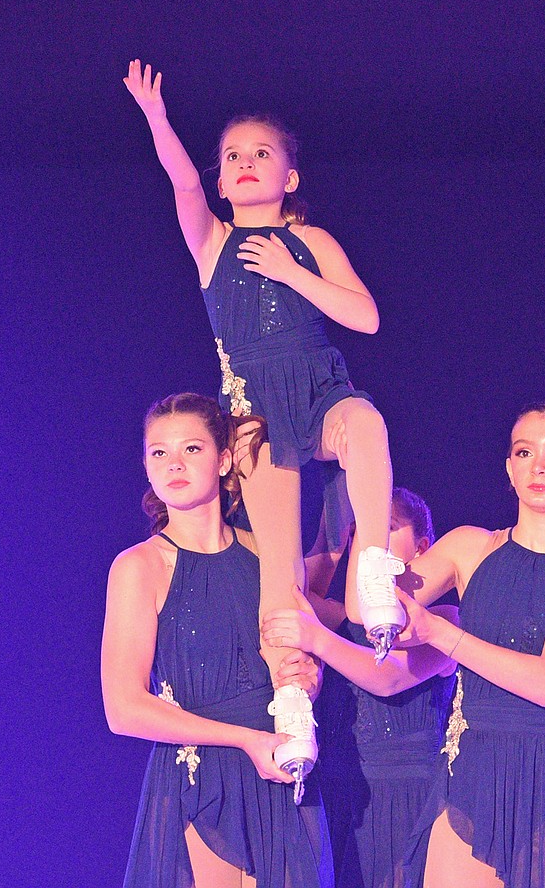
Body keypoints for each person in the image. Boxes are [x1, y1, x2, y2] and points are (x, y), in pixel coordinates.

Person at [124, 60, 408, 792]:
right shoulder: (213, 243)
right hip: (255, 417)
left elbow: (365, 316)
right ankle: (291, 710)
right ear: (222, 180)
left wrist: (292, 270)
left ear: (289, 177)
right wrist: (158, 119)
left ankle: (373, 568)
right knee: (277, 578)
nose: (245, 164)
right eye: (233, 158)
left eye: (262, 155)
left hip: (320, 392)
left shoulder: (311, 242)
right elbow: (182, 186)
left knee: (367, 427)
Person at [386, 402, 545, 888]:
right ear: (509, 467)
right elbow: (367, 609)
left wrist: (439, 632)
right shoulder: (468, 546)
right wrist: (360, 500)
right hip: (472, 770)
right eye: (524, 451)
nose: (538, 465)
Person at [100, 393, 333, 888]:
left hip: (281, 763)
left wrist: (308, 676)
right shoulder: (139, 567)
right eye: (159, 453)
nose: (174, 464)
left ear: (224, 459)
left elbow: (300, 644)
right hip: (203, 775)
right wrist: (246, 741)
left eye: (192, 449)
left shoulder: (266, 551)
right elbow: (122, 709)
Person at [262, 488, 458, 888]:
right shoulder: (335, 622)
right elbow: (295, 592)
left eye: (383, 528)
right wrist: (334, 536)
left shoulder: (444, 618)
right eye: (360, 533)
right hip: (338, 794)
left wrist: (318, 640)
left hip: (409, 799)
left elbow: (387, 677)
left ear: (422, 548)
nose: (368, 541)